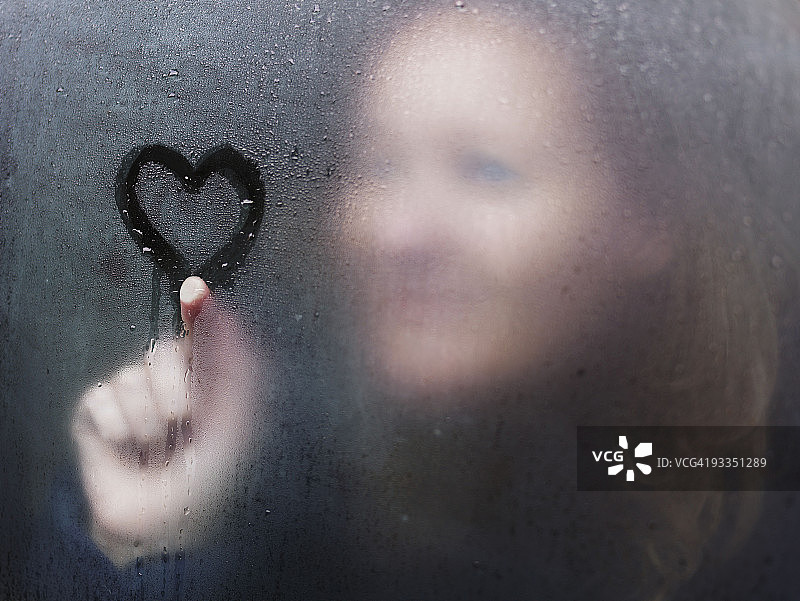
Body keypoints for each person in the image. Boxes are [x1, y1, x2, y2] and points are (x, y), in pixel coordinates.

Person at [64, 1, 800, 599]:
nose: (397, 230)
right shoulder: (287, 442)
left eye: (485, 169)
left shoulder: (705, 471)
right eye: (380, 164)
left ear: (647, 213)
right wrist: (145, 543)